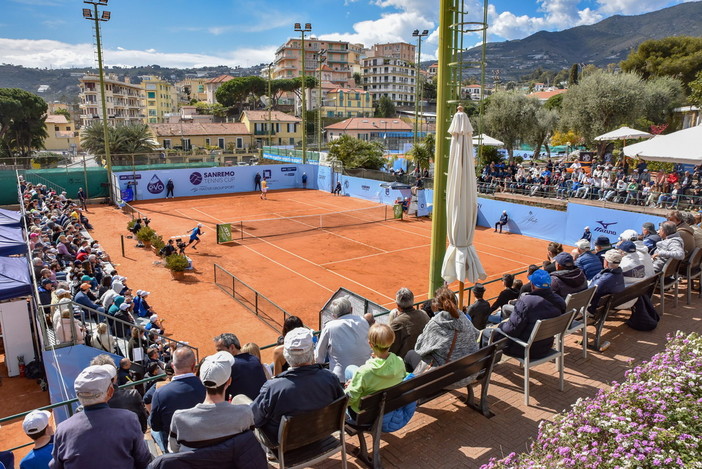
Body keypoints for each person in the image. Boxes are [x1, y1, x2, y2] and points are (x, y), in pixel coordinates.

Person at [251, 327, 344, 447]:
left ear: (286, 355)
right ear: (312, 353)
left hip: (286, 447)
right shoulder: (330, 378)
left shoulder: (272, 388)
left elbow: (253, 418)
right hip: (322, 436)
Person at [51, 364, 152, 468]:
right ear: (111, 391)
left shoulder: (62, 430)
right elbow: (143, 459)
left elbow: (56, 465)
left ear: (78, 396)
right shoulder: (129, 419)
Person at [168, 351, 255, 453]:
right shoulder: (245, 413)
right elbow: (251, 445)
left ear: (200, 379)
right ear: (229, 381)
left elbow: (173, 450)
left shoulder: (179, 418)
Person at [405, 286, 480, 374]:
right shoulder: (463, 318)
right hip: (468, 373)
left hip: (446, 378)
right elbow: (476, 334)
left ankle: (412, 386)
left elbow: (420, 349)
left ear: (436, 306)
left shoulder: (435, 324)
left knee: (410, 354)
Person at [496, 269, 566, 359]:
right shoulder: (560, 300)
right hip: (546, 345)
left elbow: (511, 330)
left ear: (532, 285)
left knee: (491, 334)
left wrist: (501, 326)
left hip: (525, 349)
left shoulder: (526, 301)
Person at [345, 324, 406, 416]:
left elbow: (350, 400)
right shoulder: (400, 362)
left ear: (370, 344)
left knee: (349, 370)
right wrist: (355, 382)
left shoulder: (363, 372)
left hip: (363, 415)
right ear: (391, 341)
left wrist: (350, 387)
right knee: (350, 369)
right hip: (387, 406)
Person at [315, 296, 371, 382]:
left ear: (333, 315)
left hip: (341, 380)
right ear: (351, 309)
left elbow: (319, 357)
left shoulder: (329, 327)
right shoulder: (364, 321)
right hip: (366, 375)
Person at [213, 333, 267, 401]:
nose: (219, 354)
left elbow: (222, 396)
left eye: (220, 351)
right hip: (262, 404)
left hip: (245, 408)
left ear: (232, 347)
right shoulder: (254, 359)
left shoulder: (229, 365)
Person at [388, 288, 430, 359]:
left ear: (398, 305)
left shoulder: (397, 323)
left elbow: (391, 350)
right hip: (424, 358)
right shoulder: (424, 314)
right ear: (413, 301)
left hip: (405, 364)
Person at [589, 250, 626, 316]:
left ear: (606, 262)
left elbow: (589, 293)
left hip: (592, 309)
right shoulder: (619, 273)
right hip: (607, 306)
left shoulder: (605, 279)